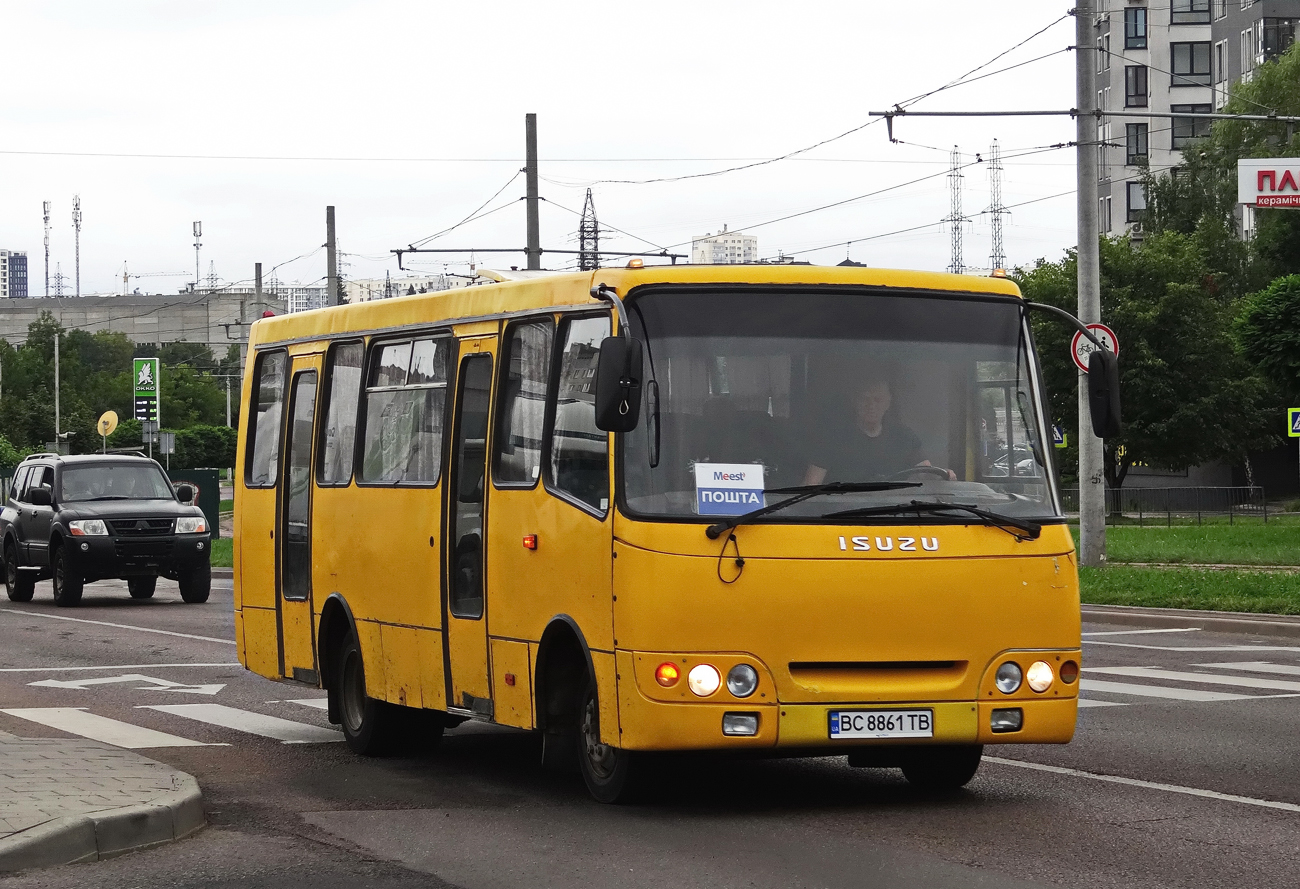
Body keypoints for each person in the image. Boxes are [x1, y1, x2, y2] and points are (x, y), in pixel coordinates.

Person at [803, 375, 953, 484]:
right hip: (842, 516)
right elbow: (811, 485)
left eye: (877, 399)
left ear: (888, 403)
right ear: (855, 402)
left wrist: (943, 475)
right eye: (865, 399)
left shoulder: (904, 437)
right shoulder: (832, 439)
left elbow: (925, 472)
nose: (871, 405)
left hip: (896, 514)